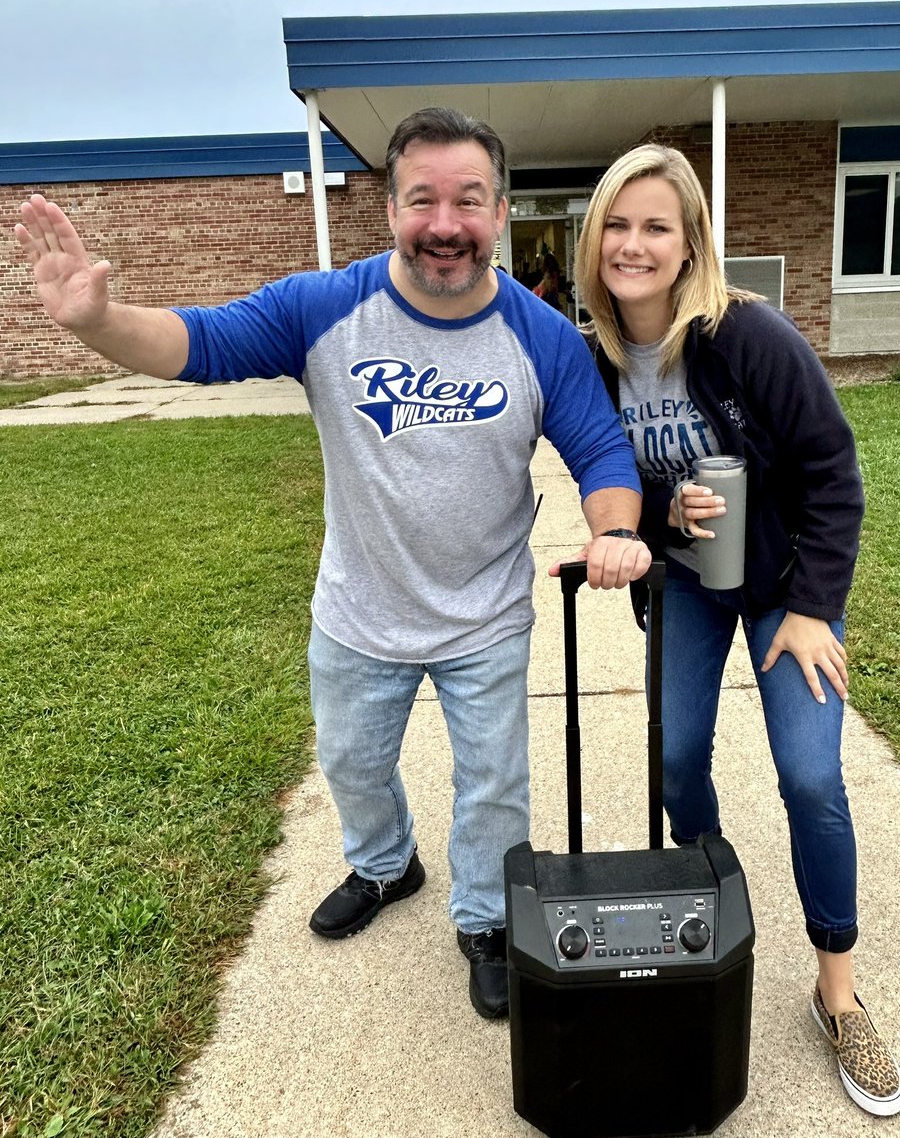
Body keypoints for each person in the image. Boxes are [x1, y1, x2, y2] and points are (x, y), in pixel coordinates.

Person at [15, 107, 652, 1021]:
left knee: (495, 786)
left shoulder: (541, 334)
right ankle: (387, 866)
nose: (445, 223)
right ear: (388, 210)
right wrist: (100, 319)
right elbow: (199, 343)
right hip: (358, 611)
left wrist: (615, 530)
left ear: (500, 213)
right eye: (422, 199)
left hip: (485, 614)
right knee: (352, 765)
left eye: (468, 201)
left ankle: (483, 922)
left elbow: (600, 452)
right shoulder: (324, 309)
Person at [573, 142, 899, 1115]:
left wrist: (807, 608)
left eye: (655, 227)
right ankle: (715, 891)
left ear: (689, 244)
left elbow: (836, 475)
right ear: (595, 241)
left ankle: (837, 994)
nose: (633, 244)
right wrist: (662, 512)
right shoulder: (593, 353)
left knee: (810, 776)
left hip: (787, 588)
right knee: (676, 763)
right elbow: (626, 475)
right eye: (617, 225)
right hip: (688, 582)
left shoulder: (750, 336)